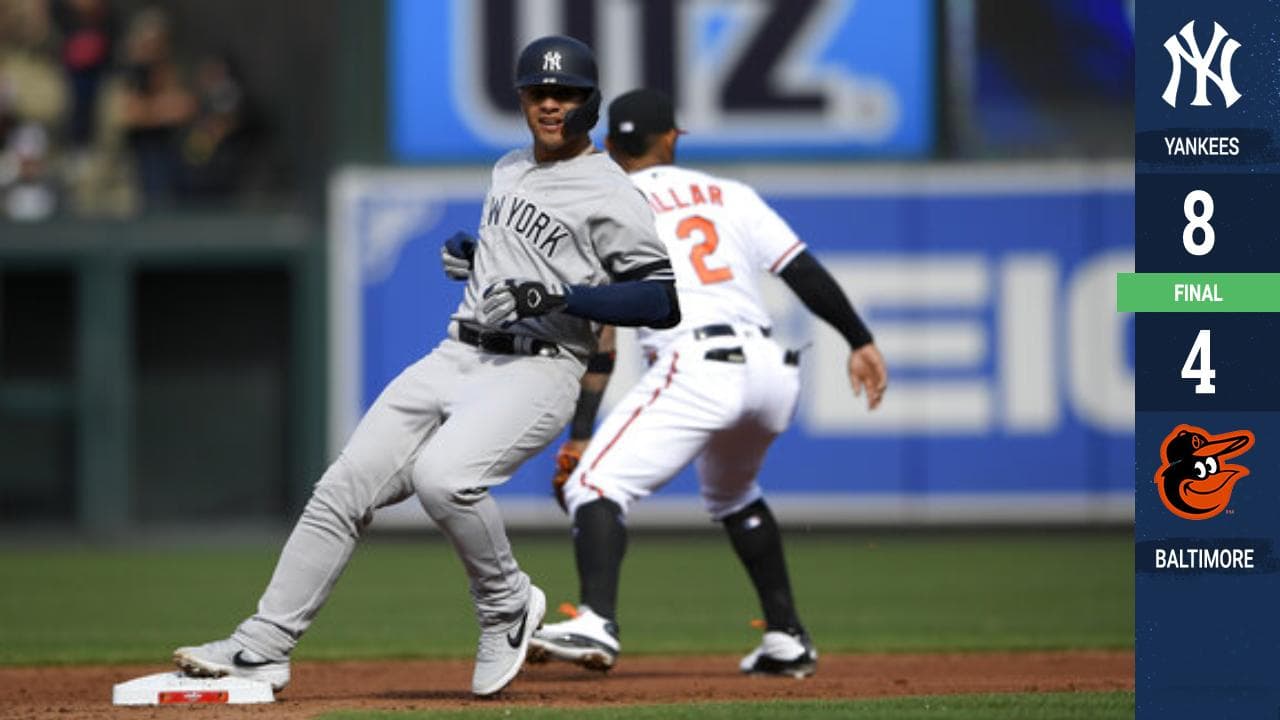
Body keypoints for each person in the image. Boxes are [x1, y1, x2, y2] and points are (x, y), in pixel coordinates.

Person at [173, 36, 679, 698]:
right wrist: (481, 255)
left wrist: (561, 296)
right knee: (343, 486)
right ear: (522, 97)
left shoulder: (609, 188)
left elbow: (661, 298)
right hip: (458, 352)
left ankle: (507, 604)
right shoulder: (509, 168)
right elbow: (524, 253)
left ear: (591, 103)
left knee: (445, 480)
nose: (551, 104)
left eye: (567, 94)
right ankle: (263, 648)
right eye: (538, 92)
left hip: (540, 366)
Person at [524, 89, 888, 678]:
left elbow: (602, 333)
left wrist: (583, 432)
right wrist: (859, 340)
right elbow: (802, 270)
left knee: (594, 482)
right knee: (733, 493)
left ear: (612, 144)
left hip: (697, 365)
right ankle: (787, 637)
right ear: (672, 138)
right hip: (770, 372)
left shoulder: (609, 198)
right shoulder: (730, 195)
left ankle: (596, 621)